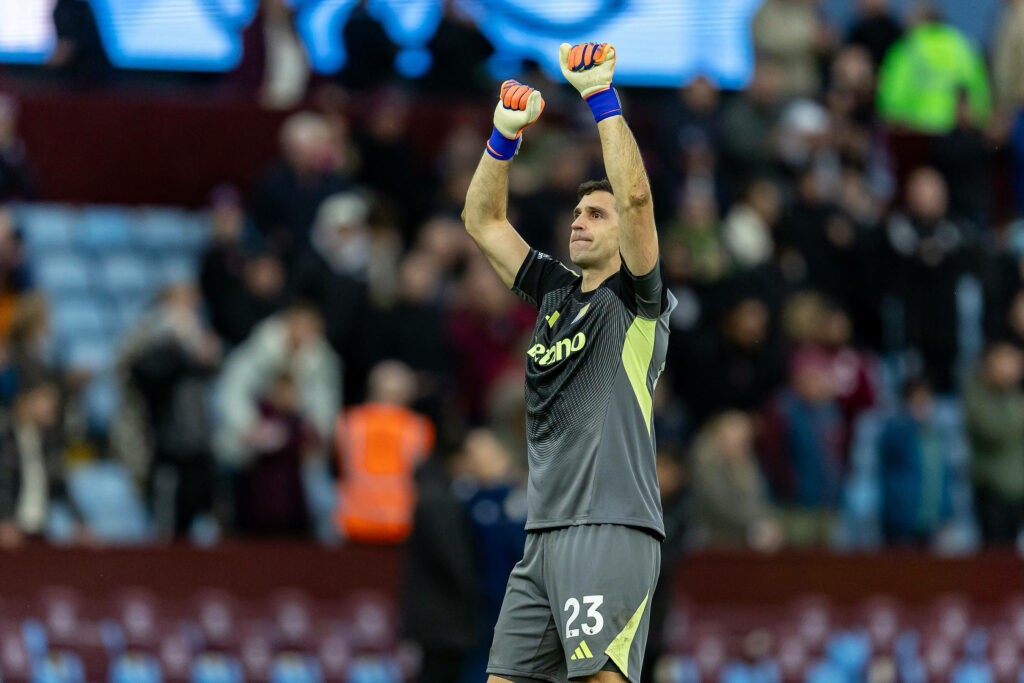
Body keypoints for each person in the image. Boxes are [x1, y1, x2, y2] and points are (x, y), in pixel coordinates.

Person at [462, 42, 675, 683]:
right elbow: (481, 219)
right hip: (544, 534)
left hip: (611, 526)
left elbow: (636, 197)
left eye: (596, 215)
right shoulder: (554, 291)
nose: (579, 221)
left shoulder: (637, 301)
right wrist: (502, 137)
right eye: (578, 212)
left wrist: (601, 99)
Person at [965, 341, 1024, 545]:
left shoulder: (1016, 396)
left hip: (1017, 490)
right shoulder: (977, 394)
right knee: (994, 559)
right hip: (991, 491)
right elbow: (993, 431)